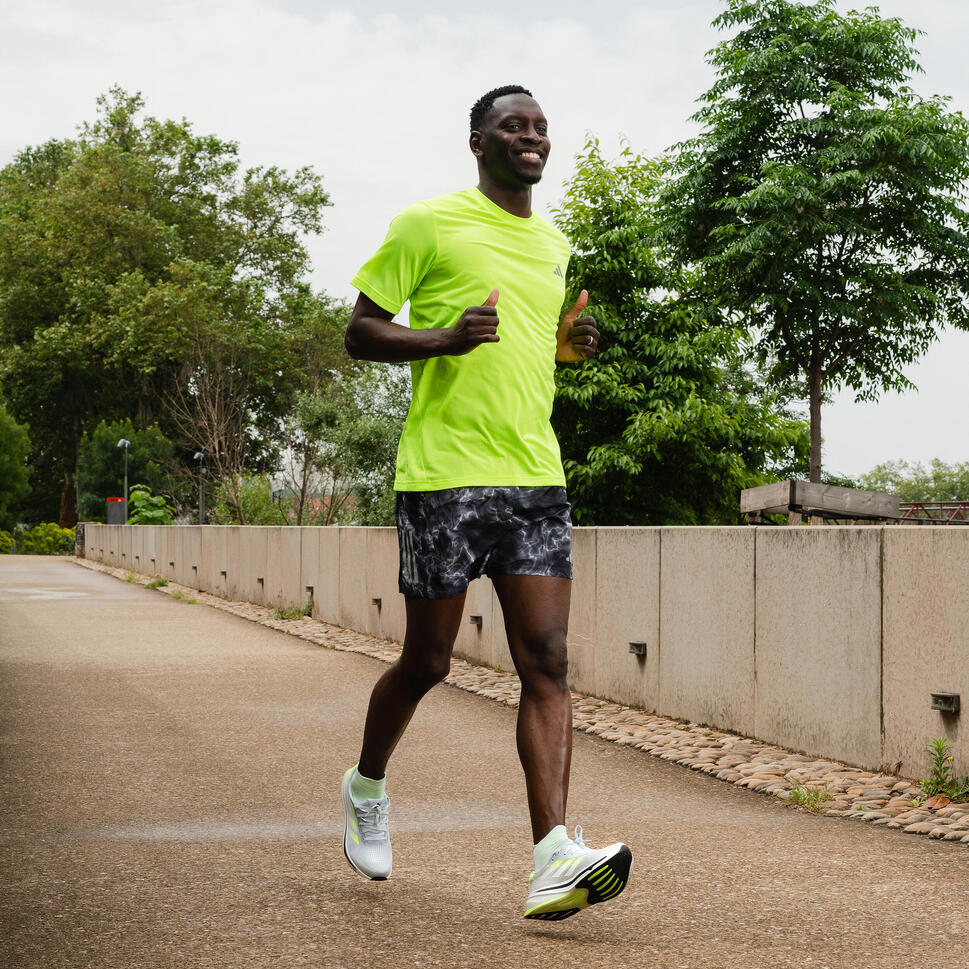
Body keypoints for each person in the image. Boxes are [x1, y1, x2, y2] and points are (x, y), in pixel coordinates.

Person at [340, 84, 631, 921]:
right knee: (428, 660)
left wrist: (565, 350)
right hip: (442, 475)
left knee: (546, 658)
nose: (531, 136)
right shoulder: (428, 224)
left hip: (534, 475)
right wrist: (441, 336)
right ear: (478, 141)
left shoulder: (552, 242)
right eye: (513, 126)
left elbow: (528, 353)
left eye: (539, 126)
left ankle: (552, 855)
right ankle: (365, 785)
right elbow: (360, 330)